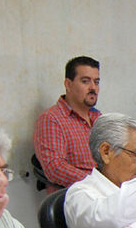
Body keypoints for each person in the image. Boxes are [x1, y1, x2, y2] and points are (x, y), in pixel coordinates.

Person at [33, 55, 102, 188]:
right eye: (85, 81)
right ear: (68, 84)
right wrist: (97, 183)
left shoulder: (98, 117)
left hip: (109, 191)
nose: (93, 87)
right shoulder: (52, 119)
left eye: (96, 82)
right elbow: (55, 168)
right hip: (80, 193)